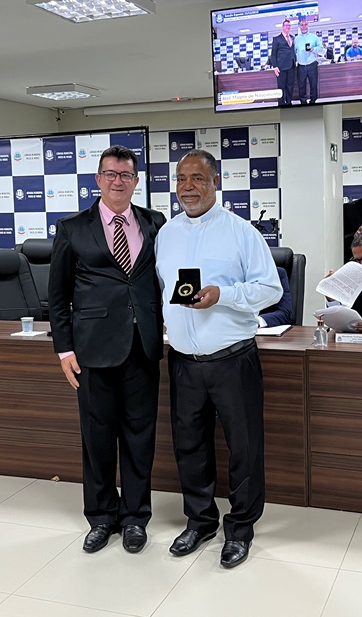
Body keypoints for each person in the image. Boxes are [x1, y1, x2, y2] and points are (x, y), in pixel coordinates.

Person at [155, 149, 283, 569]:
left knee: (243, 447)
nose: (187, 187)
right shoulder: (166, 234)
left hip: (232, 360)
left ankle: (241, 528)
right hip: (183, 361)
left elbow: (270, 289)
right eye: (181, 179)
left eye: (197, 178)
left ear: (215, 182)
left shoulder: (241, 232)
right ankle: (200, 521)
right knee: (189, 445)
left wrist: (223, 295)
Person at [48, 145, 166, 555]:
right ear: (98, 179)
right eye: (110, 174)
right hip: (92, 351)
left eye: (126, 174)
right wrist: (64, 350)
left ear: (136, 181)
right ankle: (101, 517)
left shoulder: (154, 222)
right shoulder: (72, 228)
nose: (118, 181)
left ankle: (135, 518)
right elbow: (58, 296)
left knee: (139, 437)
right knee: (97, 438)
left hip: (142, 347)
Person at [325, 228, 362, 330]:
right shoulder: (355, 279)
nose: (360, 264)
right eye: (356, 260)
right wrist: (332, 298)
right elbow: (343, 320)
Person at [294, 19, 324, 104]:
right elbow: (294, 51)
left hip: (312, 65)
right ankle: (303, 102)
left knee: (313, 84)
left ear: (308, 26)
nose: (304, 27)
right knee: (301, 85)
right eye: (302, 25)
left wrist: (313, 49)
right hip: (301, 66)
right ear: (300, 27)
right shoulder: (296, 39)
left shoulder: (314, 37)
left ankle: (313, 101)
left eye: (305, 25)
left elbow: (321, 48)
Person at [271, 19, 296, 106]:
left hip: (291, 66)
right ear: (282, 27)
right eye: (286, 25)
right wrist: (275, 66)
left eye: (289, 25)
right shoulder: (277, 39)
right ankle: (281, 103)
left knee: (290, 85)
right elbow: (273, 54)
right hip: (281, 67)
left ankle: (289, 102)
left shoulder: (293, 38)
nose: (288, 27)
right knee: (281, 86)